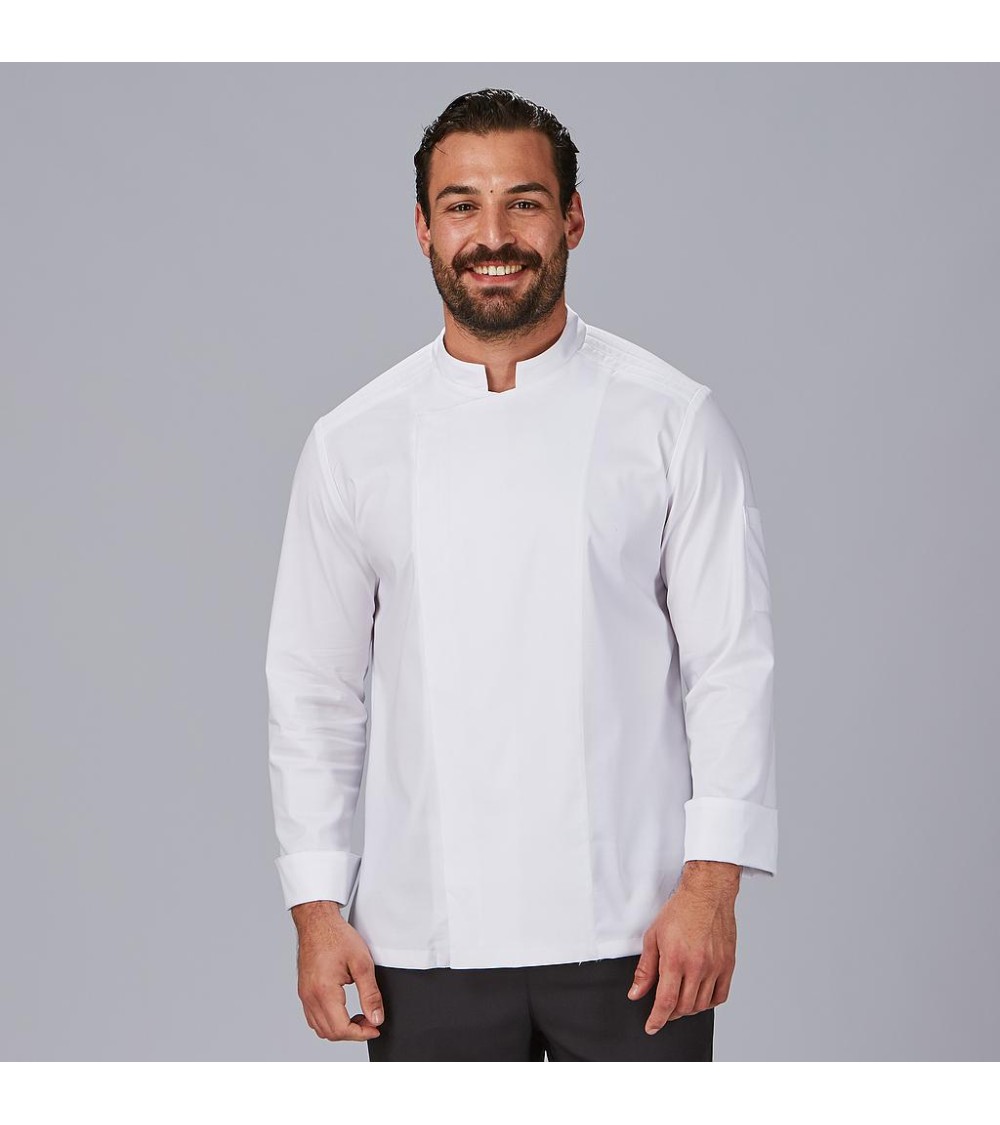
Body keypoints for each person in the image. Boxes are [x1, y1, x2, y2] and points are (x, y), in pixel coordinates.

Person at [265, 88, 778, 1062]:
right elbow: (314, 689)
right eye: (461, 205)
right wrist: (316, 907)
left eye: (525, 202)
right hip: (423, 939)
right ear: (423, 228)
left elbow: (731, 665)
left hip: (638, 933)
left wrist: (712, 887)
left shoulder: (671, 420)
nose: (492, 236)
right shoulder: (352, 443)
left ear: (572, 217)